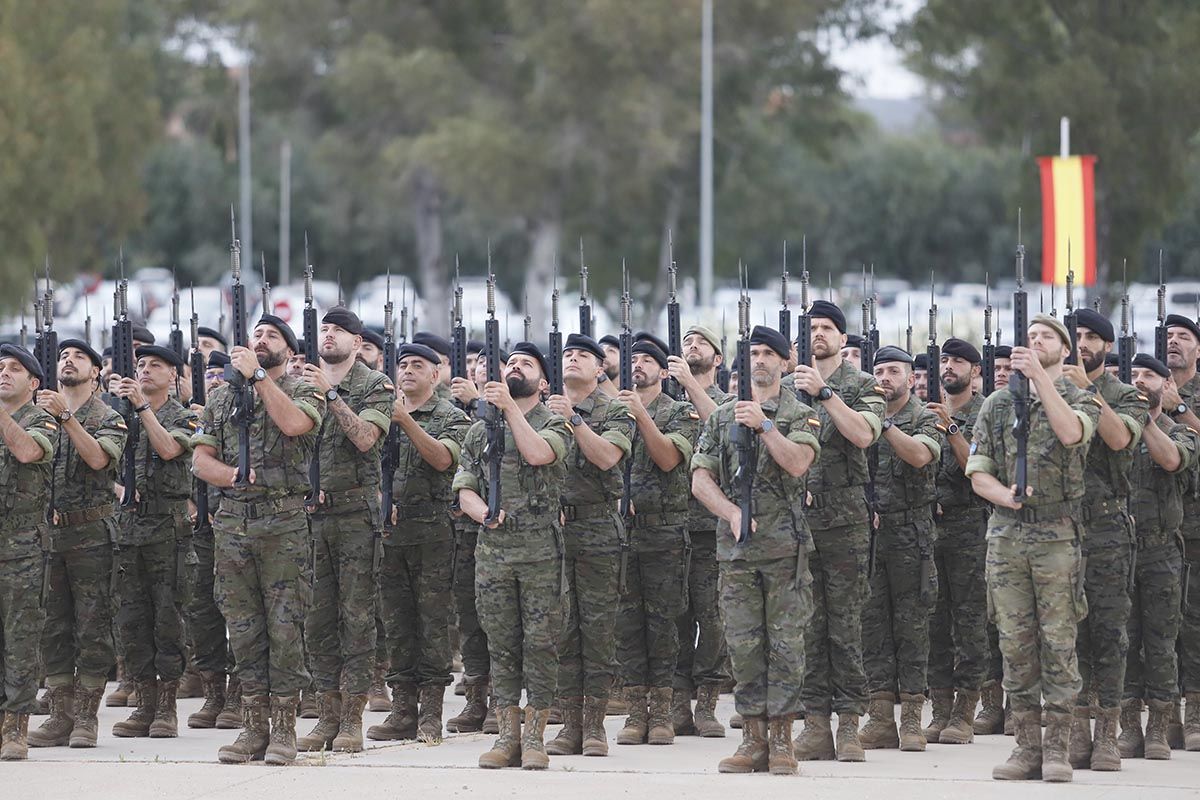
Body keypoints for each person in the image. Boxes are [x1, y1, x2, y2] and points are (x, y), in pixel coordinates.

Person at [966, 314, 1101, 783]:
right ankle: (1026, 746)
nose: (1034, 342)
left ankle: (1058, 748)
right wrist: (1005, 496)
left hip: (1057, 535)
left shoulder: (1081, 399)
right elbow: (977, 470)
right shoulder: (999, 405)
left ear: (1066, 351)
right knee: (1015, 644)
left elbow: (1071, 433)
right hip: (1007, 535)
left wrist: (1041, 377)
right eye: (1029, 338)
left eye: (1045, 337)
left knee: (1059, 642)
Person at [192, 315, 327, 765]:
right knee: (244, 630)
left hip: (283, 524)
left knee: (286, 628)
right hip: (232, 525)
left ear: (289, 350)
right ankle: (253, 727)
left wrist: (258, 377)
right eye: (256, 335)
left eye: (272, 336)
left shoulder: (304, 389)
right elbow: (200, 460)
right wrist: (230, 476)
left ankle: (284, 730)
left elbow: (294, 425)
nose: (261, 340)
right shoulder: (224, 397)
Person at [691, 325, 821, 775]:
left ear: (785, 362)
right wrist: (729, 512)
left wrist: (764, 425)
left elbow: (799, 463)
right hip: (738, 552)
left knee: (786, 646)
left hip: (786, 552)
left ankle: (782, 740)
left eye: (770, 353)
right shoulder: (721, 416)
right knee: (743, 646)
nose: (760, 360)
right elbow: (700, 477)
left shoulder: (798, 414)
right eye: (754, 353)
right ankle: (753, 738)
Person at [453, 343, 569, 770]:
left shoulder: (555, 421)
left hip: (540, 551)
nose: (515, 368)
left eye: (526, 365)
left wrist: (509, 411)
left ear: (543, 382)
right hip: (495, 551)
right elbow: (464, 486)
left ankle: (535, 735)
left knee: (539, 643)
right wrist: (481, 511)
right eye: (511, 363)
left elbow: (539, 453)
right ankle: (507, 735)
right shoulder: (479, 431)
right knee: (501, 644)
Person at [785, 300, 885, 762]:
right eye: (811, 328)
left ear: (843, 339)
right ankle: (814, 723)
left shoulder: (864, 385)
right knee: (805, 624)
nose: (818, 334)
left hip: (844, 522)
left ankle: (849, 724)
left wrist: (825, 393)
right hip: (796, 523)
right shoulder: (786, 388)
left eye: (827, 327)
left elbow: (863, 435)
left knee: (845, 625)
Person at [296, 308, 393, 753]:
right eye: (325, 330)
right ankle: (326, 713)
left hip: (354, 515)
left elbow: (366, 439)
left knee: (356, 617)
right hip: (309, 517)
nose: (328, 335)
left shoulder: (375, 384)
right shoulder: (300, 384)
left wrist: (331, 397)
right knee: (316, 619)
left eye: (338, 331)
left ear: (358, 342)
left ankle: (352, 717)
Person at [368, 341, 468, 743]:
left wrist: (405, 421)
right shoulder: (379, 417)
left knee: (432, 623)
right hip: (392, 535)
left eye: (417, 365)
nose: (407, 371)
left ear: (435, 373)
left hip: (433, 535)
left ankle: (430, 711)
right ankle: (402, 708)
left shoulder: (450, 416)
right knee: (396, 624)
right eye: (403, 365)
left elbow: (444, 459)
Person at [28, 341, 126, 749]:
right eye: (64, 356)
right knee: (52, 627)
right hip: (49, 537)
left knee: (92, 628)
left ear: (96, 372)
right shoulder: (38, 417)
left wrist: (66, 417)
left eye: (79, 357)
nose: (69, 360)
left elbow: (98, 459)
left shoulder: (109, 417)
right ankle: (60, 715)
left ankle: (86, 717)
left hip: (92, 537)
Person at [1062, 309, 1147, 771]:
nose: (1082, 343)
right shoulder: (1050, 392)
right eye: (1075, 335)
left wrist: (1087, 391)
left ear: (1108, 348)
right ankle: (1076, 729)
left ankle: (1108, 733)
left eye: (1092, 337)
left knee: (1109, 633)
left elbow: (1119, 440)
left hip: (1109, 530)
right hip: (1061, 528)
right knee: (1068, 635)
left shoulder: (1125, 395)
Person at [544, 334, 633, 757]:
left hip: (597, 529)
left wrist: (575, 421)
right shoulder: (541, 412)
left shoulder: (615, 409)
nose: (573, 359)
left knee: (597, 630)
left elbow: (607, 458)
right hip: (553, 533)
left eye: (583, 355)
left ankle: (594, 725)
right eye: (567, 354)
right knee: (562, 629)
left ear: (601, 369)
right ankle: (569, 724)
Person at [109, 345, 199, 740]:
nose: (145, 370)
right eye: (141, 365)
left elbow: (168, 448)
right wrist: (121, 490)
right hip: (128, 531)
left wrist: (142, 408)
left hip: (168, 531)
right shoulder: (119, 417)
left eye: (155, 366)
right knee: (132, 621)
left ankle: (166, 707)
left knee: (167, 620)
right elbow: (100, 466)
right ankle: (143, 705)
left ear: (173, 377)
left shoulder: (186, 417)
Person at [614, 333, 698, 748]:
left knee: (663, 623)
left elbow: (667, 458)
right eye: (634, 360)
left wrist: (640, 416)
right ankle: (634, 709)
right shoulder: (613, 412)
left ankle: (662, 711)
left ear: (664, 372)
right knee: (627, 624)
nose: (639, 366)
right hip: (621, 534)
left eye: (648, 360)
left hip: (664, 532)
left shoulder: (681, 413)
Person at [858, 346, 941, 753]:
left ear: (912, 378)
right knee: (873, 627)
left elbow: (920, 456)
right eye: (879, 371)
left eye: (893, 371)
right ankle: (879, 718)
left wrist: (885, 424)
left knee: (912, 627)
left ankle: (911, 719)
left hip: (912, 534)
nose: (885, 377)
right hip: (871, 535)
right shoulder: (865, 416)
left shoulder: (924, 417)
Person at [1123, 354, 1197, 760]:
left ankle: (1160, 728)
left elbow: (1170, 459)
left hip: (1162, 550)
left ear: (1165, 384)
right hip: (1122, 551)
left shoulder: (1178, 431)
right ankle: (1130, 726)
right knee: (1125, 641)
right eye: (1133, 375)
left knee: (1161, 643)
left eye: (1148, 375)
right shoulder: (1119, 433)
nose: (1139, 381)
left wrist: (1146, 419)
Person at [924, 339, 992, 743]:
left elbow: (976, 469)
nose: (949, 367)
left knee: (969, 621)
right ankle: (940, 709)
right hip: (932, 529)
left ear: (975, 371)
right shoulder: (928, 410)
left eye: (959, 362)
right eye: (945, 361)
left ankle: (966, 710)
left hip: (970, 529)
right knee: (935, 621)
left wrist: (950, 429)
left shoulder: (985, 413)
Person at [665, 324, 731, 737]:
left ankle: (707, 702)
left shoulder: (727, 402)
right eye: (686, 341)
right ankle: (676, 704)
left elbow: (722, 428)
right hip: (671, 526)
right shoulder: (666, 404)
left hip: (709, 529)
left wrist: (690, 385)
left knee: (713, 618)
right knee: (674, 618)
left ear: (717, 359)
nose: (691, 347)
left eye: (700, 342)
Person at [0, 345, 58, 761]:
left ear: (33, 383)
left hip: (22, 548)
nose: (4, 374)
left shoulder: (41, 420)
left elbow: (26, 451)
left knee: (19, 639)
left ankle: (15, 727)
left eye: (14, 369)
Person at [1161, 313, 1200, 749]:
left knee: (1196, 624)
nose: (1173, 343)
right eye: (1168, 336)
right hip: (1160, 525)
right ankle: (1165, 713)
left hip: (1197, 526)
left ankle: (1196, 714)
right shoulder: (1145, 386)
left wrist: (1181, 409)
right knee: (1161, 625)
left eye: (1183, 337)